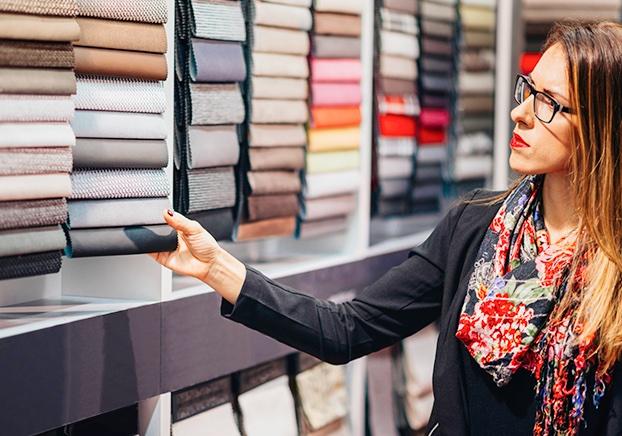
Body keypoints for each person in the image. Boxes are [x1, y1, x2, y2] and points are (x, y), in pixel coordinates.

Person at [151, 21, 622, 435]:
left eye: (549, 103)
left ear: (601, 126)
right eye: (528, 90)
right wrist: (217, 268)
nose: (520, 112)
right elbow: (347, 329)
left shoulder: (613, 269)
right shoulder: (478, 227)